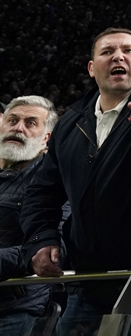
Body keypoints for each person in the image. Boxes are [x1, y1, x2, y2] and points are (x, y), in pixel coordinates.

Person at [21, 28, 131, 336]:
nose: (118, 56)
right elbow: (42, 192)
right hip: (89, 283)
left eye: (128, 51)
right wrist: (41, 238)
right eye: (107, 52)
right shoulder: (71, 122)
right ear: (92, 68)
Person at [0, 97, 57, 335]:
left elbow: (46, 248)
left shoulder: (55, 182)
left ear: (46, 139)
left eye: (31, 123)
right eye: (12, 120)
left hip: (14, 309)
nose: (19, 128)